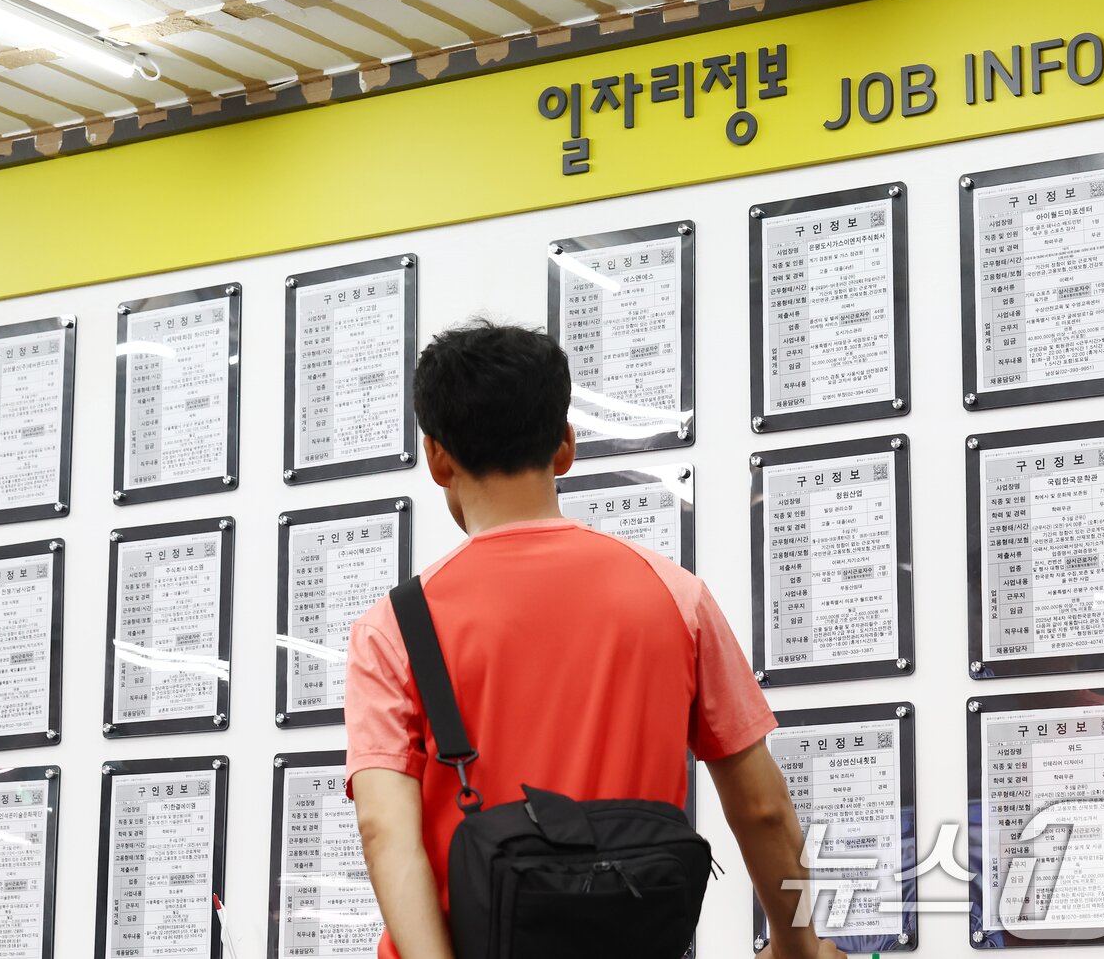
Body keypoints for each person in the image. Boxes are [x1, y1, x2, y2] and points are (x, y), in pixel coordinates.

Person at [344, 320, 847, 959]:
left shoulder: (394, 628)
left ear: (437, 457)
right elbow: (762, 807)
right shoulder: (675, 596)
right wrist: (798, 945)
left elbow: (383, 829)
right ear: (565, 447)